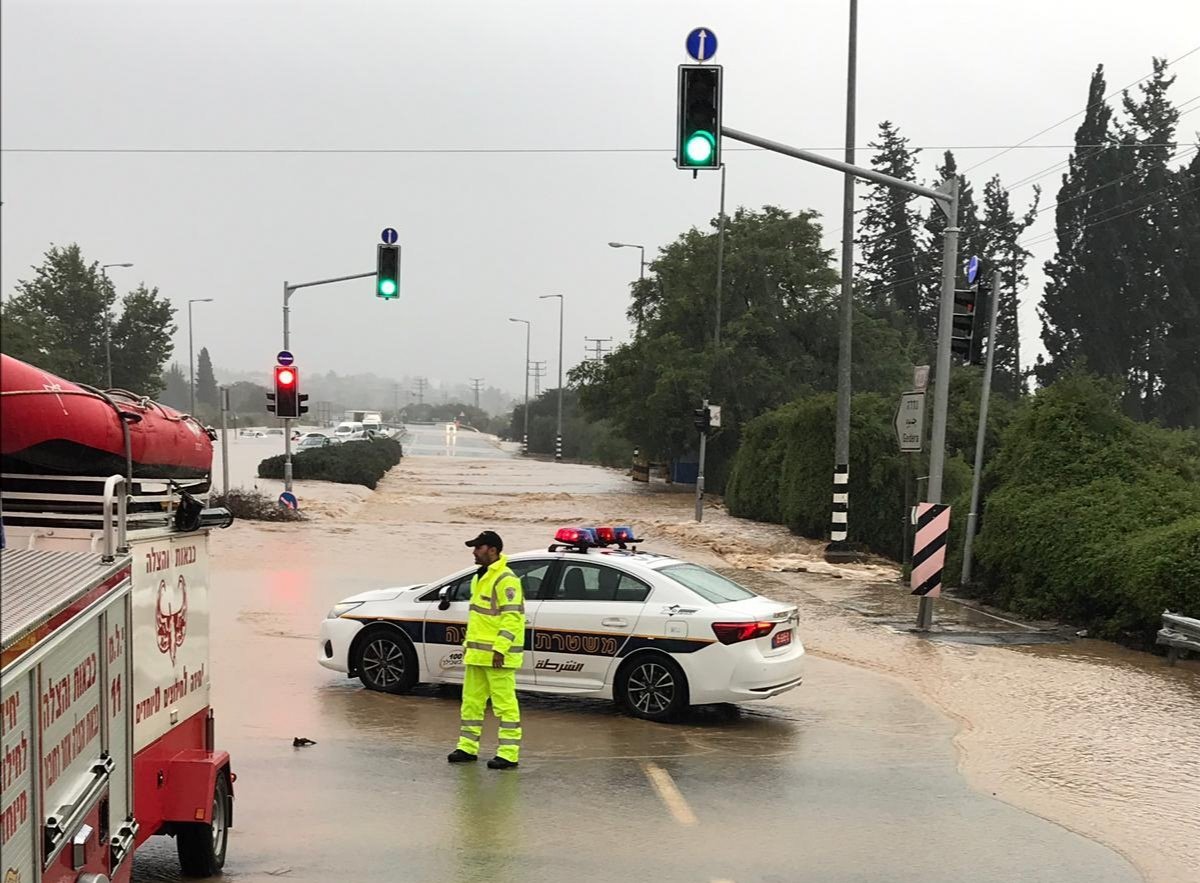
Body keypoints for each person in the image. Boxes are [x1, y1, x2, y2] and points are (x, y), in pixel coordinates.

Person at [447, 530, 525, 770]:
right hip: (478, 654)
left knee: (505, 705)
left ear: (492, 550)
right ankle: (467, 748)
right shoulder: (480, 577)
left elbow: (513, 619)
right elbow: (481, 620)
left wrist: (500, 649)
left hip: (497, 657)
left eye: (478, 548)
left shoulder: (506, 580)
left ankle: (508, 754)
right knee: (471, 702)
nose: (474, 552)